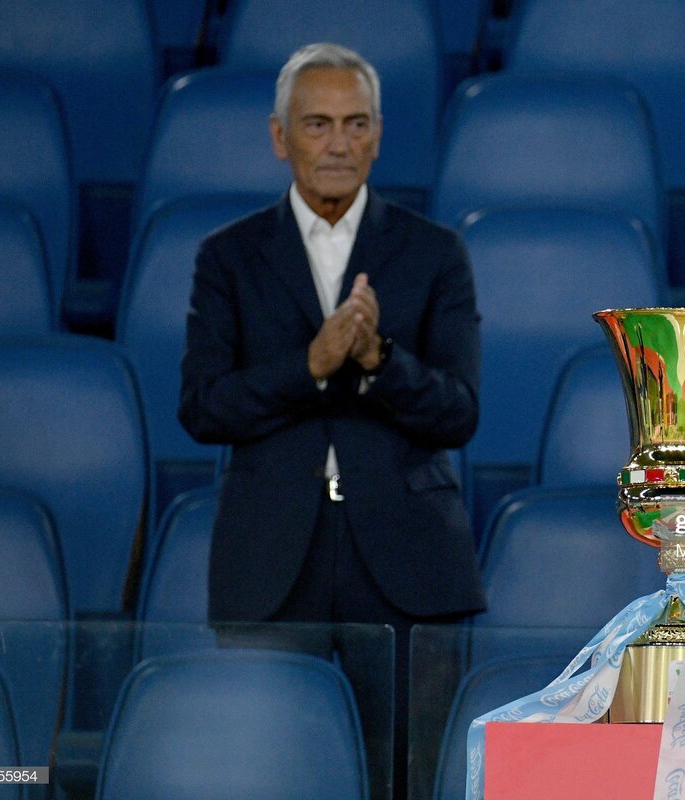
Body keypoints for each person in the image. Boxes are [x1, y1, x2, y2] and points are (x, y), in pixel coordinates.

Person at [178, 42, 485, 796]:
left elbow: (459, 412)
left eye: (356, 124)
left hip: (409, 565)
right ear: (280, 137)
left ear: (378, 136)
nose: (339, 143)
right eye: (318, 125)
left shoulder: (434, 253)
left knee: (407, 778)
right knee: (271, 775)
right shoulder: (228, 258)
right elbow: (203, 408)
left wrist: (379, 360)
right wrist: (310, 367)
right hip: (271, 565)